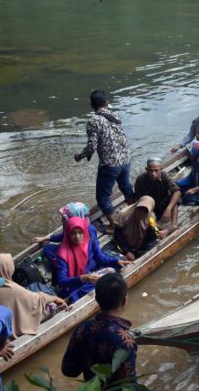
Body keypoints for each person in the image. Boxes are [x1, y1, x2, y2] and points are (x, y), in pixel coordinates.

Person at [62, 274, 191, 391]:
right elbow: (130, 389)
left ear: (96, 299)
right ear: (124, 300)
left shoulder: (82, 329)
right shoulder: (124, 340)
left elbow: (69, 370)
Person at [74, 90, 135, 225]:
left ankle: (114, 226)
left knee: (102, 198)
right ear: (107, 103)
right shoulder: (114, 116)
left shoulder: (93, 121)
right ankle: (136, 215)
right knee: (126, 187)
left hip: (110, 164)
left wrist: (80, 156)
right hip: (125, 160)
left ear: (91, 105)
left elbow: (92, 146)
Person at [48, 214, 132, 303]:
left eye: (80, 233)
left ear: (84, 232)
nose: (77, 236)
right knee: (105, 280)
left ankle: (77, 294)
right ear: (68, 234)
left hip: (87, 279)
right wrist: (83, 278)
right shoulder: (63, 253)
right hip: (71, 285)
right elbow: (62, 281)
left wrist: (117, 261)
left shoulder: (90, 242)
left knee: (111, 270)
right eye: (73, 233)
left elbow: (101, 259)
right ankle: (72, 297)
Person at [0, 253, 67, 337]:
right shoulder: (12, 289)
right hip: (11, 330)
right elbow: (36, 300)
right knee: (52, 306)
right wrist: (54, 298)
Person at [133, 158, 181, 234]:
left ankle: (173, 226)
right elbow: (139, 201)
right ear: (146, 169)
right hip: (149, 207)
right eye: (150, 170)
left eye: (156, 170)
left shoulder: (164, 176)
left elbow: (177, 192)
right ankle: (159, 229)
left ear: (161, 169)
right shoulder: (140, 180)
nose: (153, 173)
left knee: (174, 200)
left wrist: (168, 209)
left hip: (162, 204)